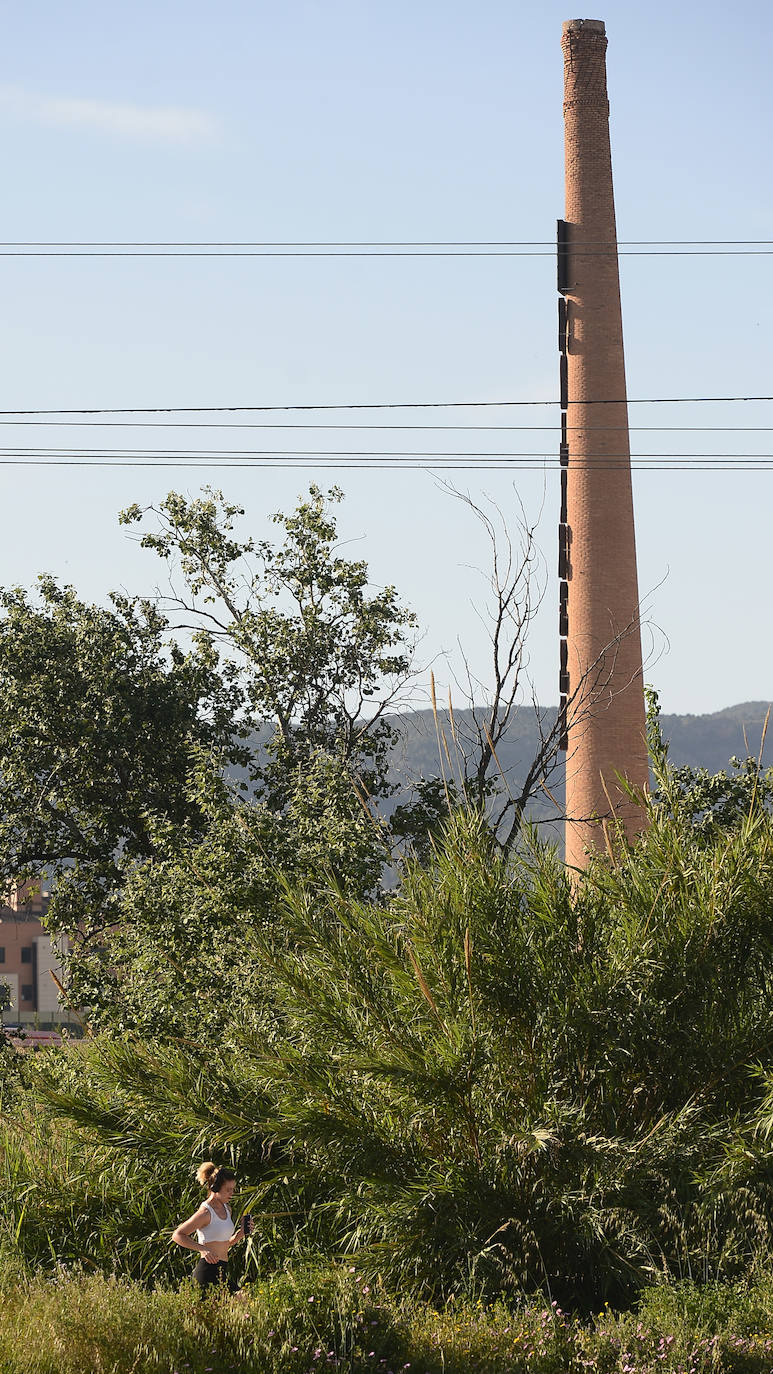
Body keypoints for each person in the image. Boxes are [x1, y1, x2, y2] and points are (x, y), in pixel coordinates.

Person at [172, 1162, 246, 1295]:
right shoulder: (205, 1212)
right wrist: (203, 1249)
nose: (232, 1193)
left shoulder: (227, 1209)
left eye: (233, 1189)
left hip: (221, 1270)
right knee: (242, 1300)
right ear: (215, 1188)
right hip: (207, 1272)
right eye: (228, 1189)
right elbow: (178, 1235)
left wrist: (241, 1233)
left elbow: (225, 1243)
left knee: (241, 1303)